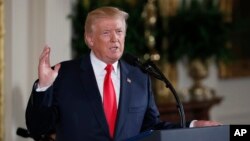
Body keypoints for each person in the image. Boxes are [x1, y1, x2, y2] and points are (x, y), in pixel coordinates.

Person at [25, 6, 221, 141]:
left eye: (119, 32)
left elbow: (151, 128)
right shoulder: (64, 75)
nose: (114, 39)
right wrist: (44, 88)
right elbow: (37, 128)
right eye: (106, 33)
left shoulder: (139, 77)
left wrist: (194, 126)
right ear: (90, 39)